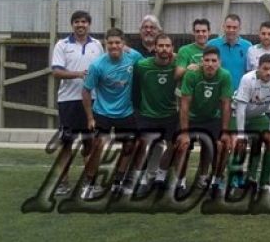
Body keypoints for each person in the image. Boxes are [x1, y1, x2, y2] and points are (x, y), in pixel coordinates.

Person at [81, 28, 143, 198]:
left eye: (117, 42)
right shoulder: (97, 65)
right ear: (105, 44)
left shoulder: (134, 57)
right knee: (97, 146)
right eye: (110, 43)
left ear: (123, 44)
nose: (114, 46)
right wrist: (90, 118)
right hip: (102, 112)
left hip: (126, 112)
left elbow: (151, 64)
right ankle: (89, 183)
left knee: (130, 146)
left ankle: (118, 181)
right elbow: (86, 91)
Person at [50, 11, 104, 196]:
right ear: (72, 24)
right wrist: (79, 74)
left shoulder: (97, 45)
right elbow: (56, 72)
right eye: (77, 22)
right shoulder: (62, 45)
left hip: (92, 100)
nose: (80, 25)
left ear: (89, 24)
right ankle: (63, 182)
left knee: (90, 143)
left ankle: (89, 182)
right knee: (66, 143)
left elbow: (102, 70)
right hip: (68, 101)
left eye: (84, 22)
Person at [176, 47, 233, 194]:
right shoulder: (192, 74)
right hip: (192, 118)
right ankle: (180, 182)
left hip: (211, 118)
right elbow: (184, 104)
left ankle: (215, 181)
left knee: (222, 146)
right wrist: (184, 133)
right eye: (207, 60)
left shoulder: (225, 75)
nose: (210, 64)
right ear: (202, 61)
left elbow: (226, 105)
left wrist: (225, 131)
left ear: (219, 62)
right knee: (183, 145)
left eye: (214, 61)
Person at [132, 33, 180, 193]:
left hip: (170, 115)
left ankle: (160, 177)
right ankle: (142, 179)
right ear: (155, 47)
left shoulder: (178, 66)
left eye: (167, 46)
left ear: (172, 48)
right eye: (161, 45)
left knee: (174, 146)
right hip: (147, 115)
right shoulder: (141, 66)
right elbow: (133, 86)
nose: (164, 49)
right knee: (141, 145)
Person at [231, 53, 270, 191]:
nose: (269, 72)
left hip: (258, 116)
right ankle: (234, 178)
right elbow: (241, 108)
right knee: (239, 143)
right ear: (258, 67)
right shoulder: (248, 79)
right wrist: (240, 134)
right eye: (265, 68)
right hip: (236, 114)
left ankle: (263, 181)